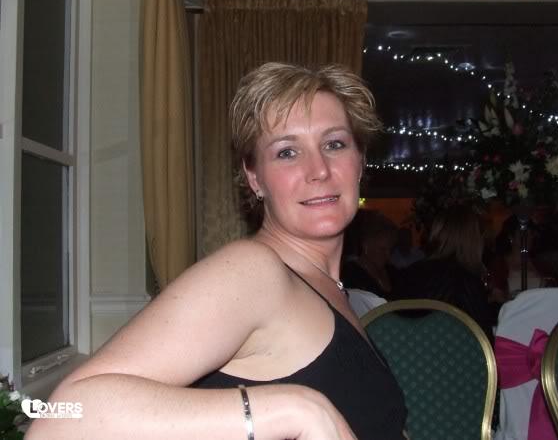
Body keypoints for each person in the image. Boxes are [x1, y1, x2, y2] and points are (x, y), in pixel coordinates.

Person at [26, 62, 408, 440]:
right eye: (287, 152)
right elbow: (62, 420)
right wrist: (295, 410)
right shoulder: (253, 273)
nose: (319, 169)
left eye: (334, 144)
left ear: (360, 161)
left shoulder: (334, 289)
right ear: (255, 178)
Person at [395, 204, 495, 341]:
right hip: (451, 352)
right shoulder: (466, 280)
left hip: (406, 350)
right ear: (474, 239)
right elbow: (484, 340)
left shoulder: (409, 273)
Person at [341, 210, 399, 298]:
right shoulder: (351, 274)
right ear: (366, 246)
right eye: (382, 250)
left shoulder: (393, 272)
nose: (388, 255)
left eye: (391, 250)